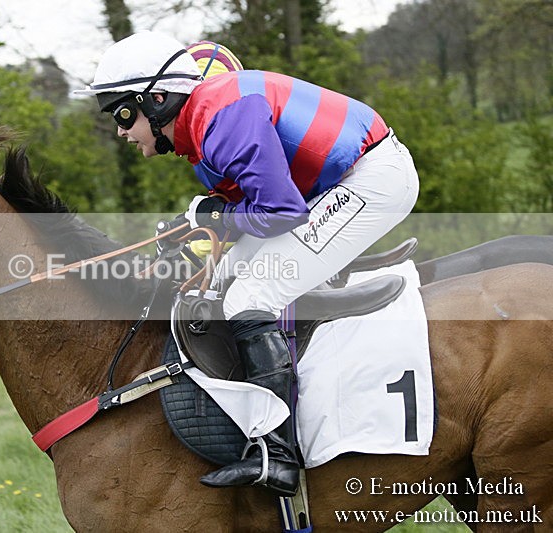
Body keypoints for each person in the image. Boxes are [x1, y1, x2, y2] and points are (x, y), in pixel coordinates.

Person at [75, 31, 419, 497]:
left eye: (121, 112)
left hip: (372, 179)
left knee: (250, 297)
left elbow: (281, 213)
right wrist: (195, 227)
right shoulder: (205, 126)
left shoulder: (222, 118)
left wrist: (213, 216)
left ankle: (277, 455)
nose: (120, 129)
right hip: (336, 183)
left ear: (156, 101)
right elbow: (243, 210)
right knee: (226, 278)